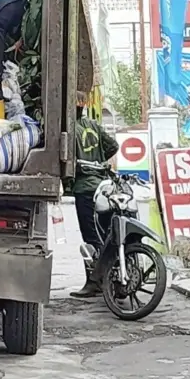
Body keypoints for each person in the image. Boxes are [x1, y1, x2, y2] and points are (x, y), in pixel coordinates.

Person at [64, 93, 119, 298]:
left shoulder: (71, 129)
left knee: (90, 237)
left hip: (84, 187)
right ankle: (108, 276)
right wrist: (100, 160)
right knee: (104, 232)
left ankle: (93, 281)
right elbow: (113, 145)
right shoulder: (93, 125)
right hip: (102, 185)